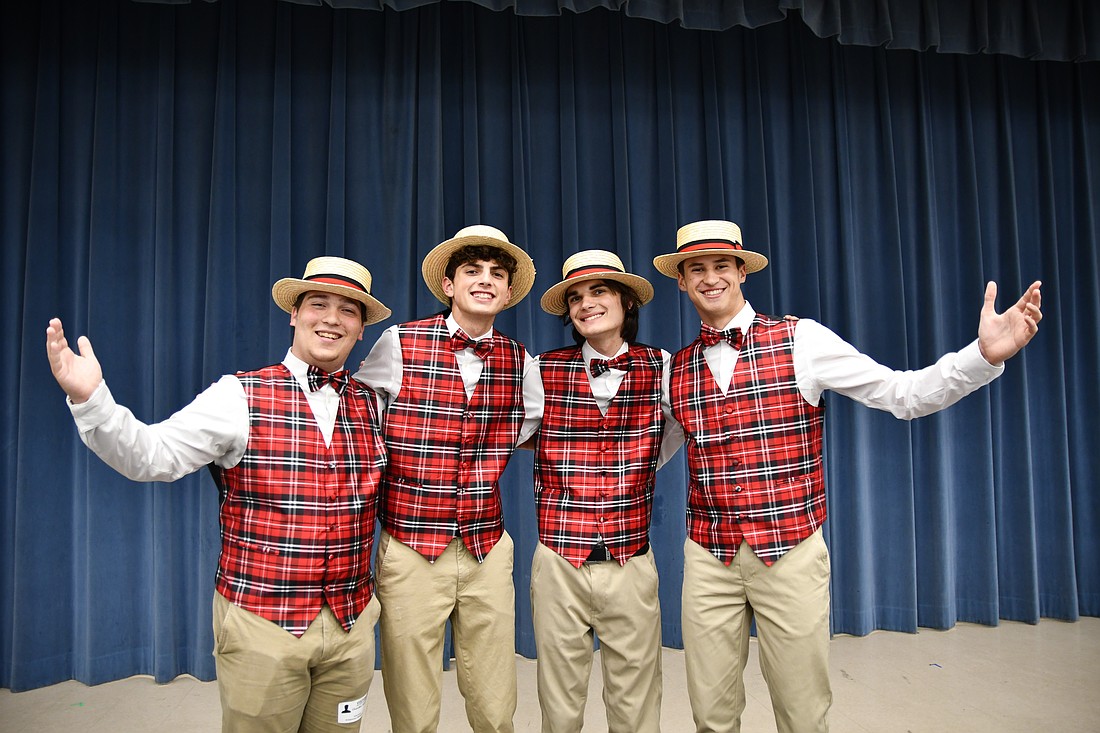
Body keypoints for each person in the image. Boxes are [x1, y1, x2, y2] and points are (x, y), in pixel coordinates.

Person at [652, 219, 1043, 733]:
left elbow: (903, 394)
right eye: (696, 268)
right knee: (711, 716)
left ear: (742, 271)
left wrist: (982, 356)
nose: (710, 278)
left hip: (790, 553)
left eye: (721, 265)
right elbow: (645, 456)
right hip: (709, 559)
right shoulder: (675, 369)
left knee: (803, 713)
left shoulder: (802, 339)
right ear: (681, 281)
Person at [45, 256, 393, 732]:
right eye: (318, 304)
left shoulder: (375, 404)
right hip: (262, 624)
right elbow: (152, 455)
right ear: (294, 314)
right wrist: (92, 401)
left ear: (361, 329)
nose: (332, 319)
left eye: (348, 310)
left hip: (351, 628)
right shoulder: (238, 395)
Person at [355, 225, 541, 733]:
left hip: (486, 546)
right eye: (472, 271)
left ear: (508, 291)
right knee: (412, 695)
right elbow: (359, 418)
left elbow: (530, 426)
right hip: (411, 547)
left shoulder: (520, 360)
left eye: (496, 274)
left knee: (495, 694)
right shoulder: (399, 342)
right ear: (448, 284)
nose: (485, 281)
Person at [529, 250, 684, 732]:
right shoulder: (541, 369)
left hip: (631, 558)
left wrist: (630, 470)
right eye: (575, 297)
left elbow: (675, 430)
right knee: (559, 702)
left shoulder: (661, 365)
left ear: (626, 302)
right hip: (559, 560)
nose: (586, 304)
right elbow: (509, 434)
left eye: (599, 291)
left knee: (636, 699)